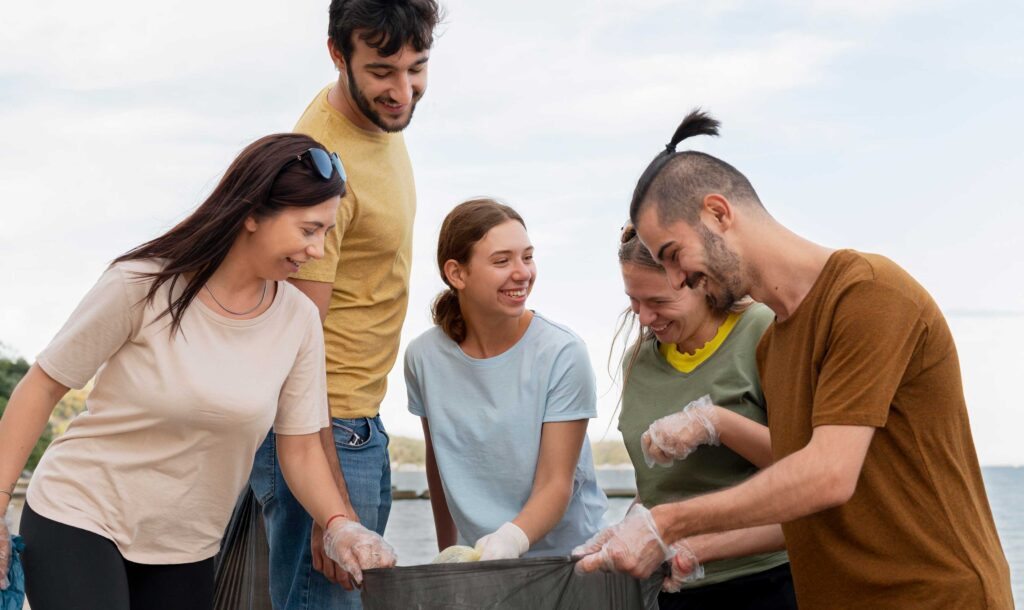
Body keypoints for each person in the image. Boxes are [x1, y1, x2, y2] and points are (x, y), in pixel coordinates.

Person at [574, 110, 1014, 609]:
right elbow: (801, 505)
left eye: (674, 254)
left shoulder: (867, 293)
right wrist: (686, 548)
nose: (675, 281)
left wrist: (667, 522)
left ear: (718, 213)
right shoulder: (774, 344)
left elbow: (827, 475)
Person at [0, 133, 396, 610]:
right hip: (81, 515)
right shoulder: (142, 284)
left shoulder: (298, 319)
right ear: (252, 214)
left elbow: (301, 446)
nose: (318, 249)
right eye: (309, 230)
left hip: (187, 547)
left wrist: (339, 524)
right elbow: (43, 386)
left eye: (327, 234)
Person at [247, 1, 443, 608]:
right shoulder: (321, 162)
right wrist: (329, 507)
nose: (403, 90)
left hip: (361, 423)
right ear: (338, 54)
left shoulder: (378, 123)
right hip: (326, 432)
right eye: (383, 70)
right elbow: (296, 344)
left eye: (417, 68)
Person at [404, 198, 607, 559]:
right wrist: (449, 552)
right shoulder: (423, 358)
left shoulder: (563, 353)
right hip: (482, 564)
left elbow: (555, 483)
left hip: (571, 563)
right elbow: (440, 465)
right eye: (502, 261)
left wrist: (509, 541)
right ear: (457, 274)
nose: (522, 272)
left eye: (527, 257)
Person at [615, 223, 795, 609]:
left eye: (658, 302)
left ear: (699, 281)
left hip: (766, 584)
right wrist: (628, 526)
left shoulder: (763, 331)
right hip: (674, 589)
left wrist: (715, 423)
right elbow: (658, 487)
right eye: (634, 301)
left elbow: (807, 467)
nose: (644, 318)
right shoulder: (638, 361)